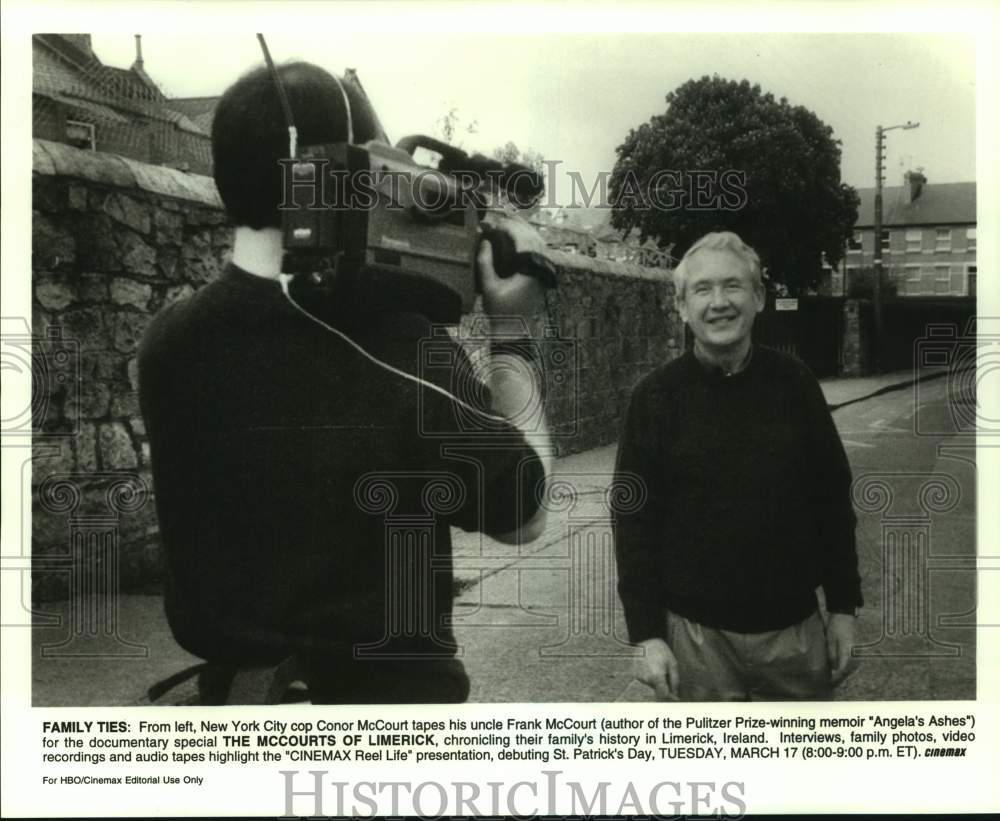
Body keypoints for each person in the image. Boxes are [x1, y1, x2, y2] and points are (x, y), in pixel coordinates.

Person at [138, 61, 551, 704]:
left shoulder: (169, 340)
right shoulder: (402, 346)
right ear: (345, 172)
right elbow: (523, 517)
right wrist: (514, 336)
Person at [612, 231, 862, 701]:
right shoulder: (654, 398)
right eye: (702, 290)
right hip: (695, 642)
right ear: (682, 307)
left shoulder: (797, 386)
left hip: (795, 635)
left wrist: (844, 608)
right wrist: (645, 634)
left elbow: (831, 500)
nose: (719, 302)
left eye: (734, 286)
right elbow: (633, 521)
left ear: (760, 297)